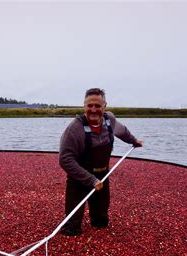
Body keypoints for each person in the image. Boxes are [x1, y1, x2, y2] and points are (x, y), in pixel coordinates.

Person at [59, 88, 143, 236]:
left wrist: (134, 141)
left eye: (97, 106)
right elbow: (65, 159)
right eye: (89, 105)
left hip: (102, 176)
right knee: (71, 229)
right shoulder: (74, 129)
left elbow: (123, 131)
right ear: (84, 106)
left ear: (104, 106)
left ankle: (97, 218)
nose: (93, 109)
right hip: (79, 179)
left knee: (101, 222)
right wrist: (90, 179)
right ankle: (72, 224)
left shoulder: (109, 120)